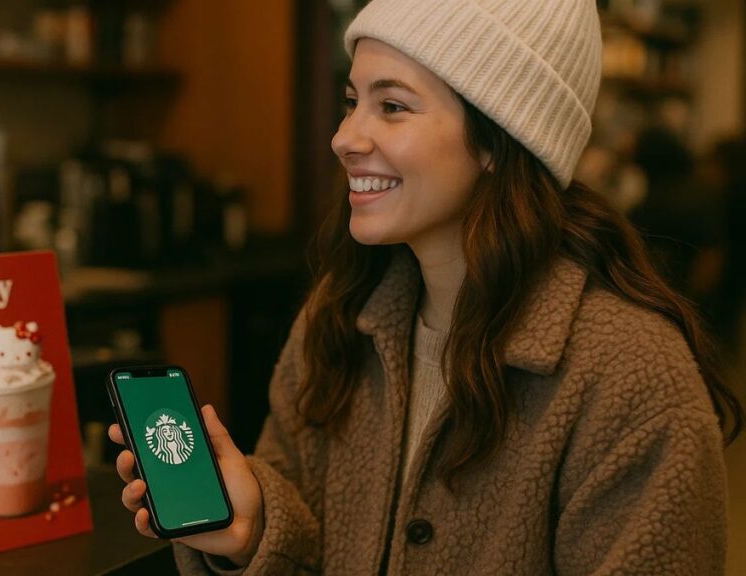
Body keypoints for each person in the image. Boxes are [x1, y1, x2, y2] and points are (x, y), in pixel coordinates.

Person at [109, 0, 744, 573]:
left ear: (500, 139)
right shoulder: (338, 316)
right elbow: (305, 533)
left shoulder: (634, 379)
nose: (345, 138)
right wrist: (256, 530)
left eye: (393, 106)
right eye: (352, 100)